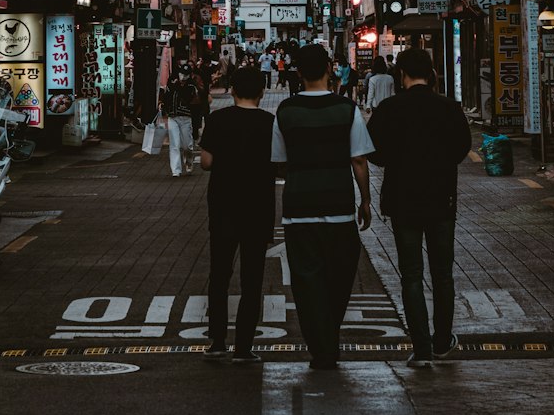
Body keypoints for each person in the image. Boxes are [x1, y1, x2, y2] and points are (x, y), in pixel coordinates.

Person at [367, 48, 472, 368]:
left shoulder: (390, 108)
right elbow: (461, 148)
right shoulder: (449, 108)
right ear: (432, 72)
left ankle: (421, 347)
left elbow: (375, 152)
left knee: (411, 274)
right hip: (441, 199)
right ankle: (442, 340)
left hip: (403, 200)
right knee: (442, 273)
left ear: (402, 74)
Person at [271, 43, 373, 370]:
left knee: (306, 278)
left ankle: (320, 347)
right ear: (330, 68)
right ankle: (329, 335)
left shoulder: (286, 111)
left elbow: (279, 162)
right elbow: (358, 159)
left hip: (298, 206)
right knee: (341, 274)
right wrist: (366, 200)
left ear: (298, 72)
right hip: (340, 204)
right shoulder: (347, 109)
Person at [198, 66, 276, 362]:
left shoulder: (218, 120)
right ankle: (244, 347)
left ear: (232, 90)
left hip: (223, 207)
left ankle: (217, 341)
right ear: (261, 92)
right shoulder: (270, 122)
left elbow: (206, 162)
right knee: (252, 279)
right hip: (258, 208)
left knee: (219, 275)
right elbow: (279, 162)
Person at [161, 71, 196, 178]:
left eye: (185, 74)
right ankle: (175, 170)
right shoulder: (172, 86)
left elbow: (188, 98)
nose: (183, 77)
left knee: (187, 145)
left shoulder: (191, 87)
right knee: (174, 144)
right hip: (173, 117)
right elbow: (166, 97)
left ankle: (189, 162)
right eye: (181, 74)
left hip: (186, 118)